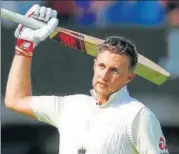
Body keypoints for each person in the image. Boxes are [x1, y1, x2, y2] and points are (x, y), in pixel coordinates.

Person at [5, 4, 169, 154]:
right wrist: (24, 46)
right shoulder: (70, 107)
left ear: (129, 77)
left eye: (114, 70)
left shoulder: (138, 116)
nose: (104, 76)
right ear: (94, 65)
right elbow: (15, 100)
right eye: (102, 66)